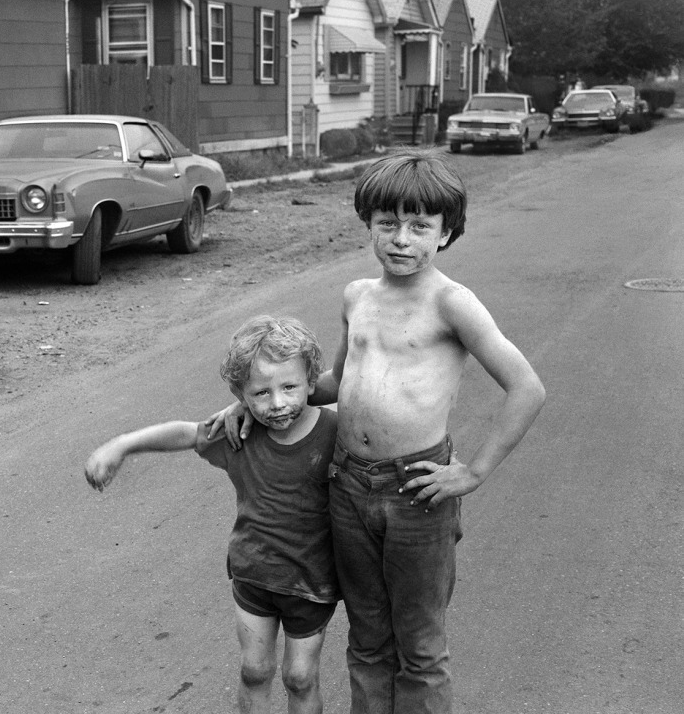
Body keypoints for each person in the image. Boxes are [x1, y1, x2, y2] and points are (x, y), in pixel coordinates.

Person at [213, 149, 546, 714]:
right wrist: (256, 401)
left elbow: (527, 387)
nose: (401, 239)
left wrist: (473, 471)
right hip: (347, 485)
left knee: (418, 645)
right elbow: (336, 382)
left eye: (421, 226)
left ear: (446, 234)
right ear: (368, 223)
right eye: (388, 224)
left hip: (416, 490)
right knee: (367, 638)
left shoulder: (452, 304)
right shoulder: (357, 297)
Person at [85, 315, 339, 714]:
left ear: (312, 381)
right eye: (260, 393)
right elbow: (186, 433)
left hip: (312, 580)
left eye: (290, 387)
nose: (277, 403)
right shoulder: (239, 434)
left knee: (300, 677)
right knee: (254, 671)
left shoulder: (335, 430)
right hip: (254, 574)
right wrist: (121, 446)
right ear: (240, 394)